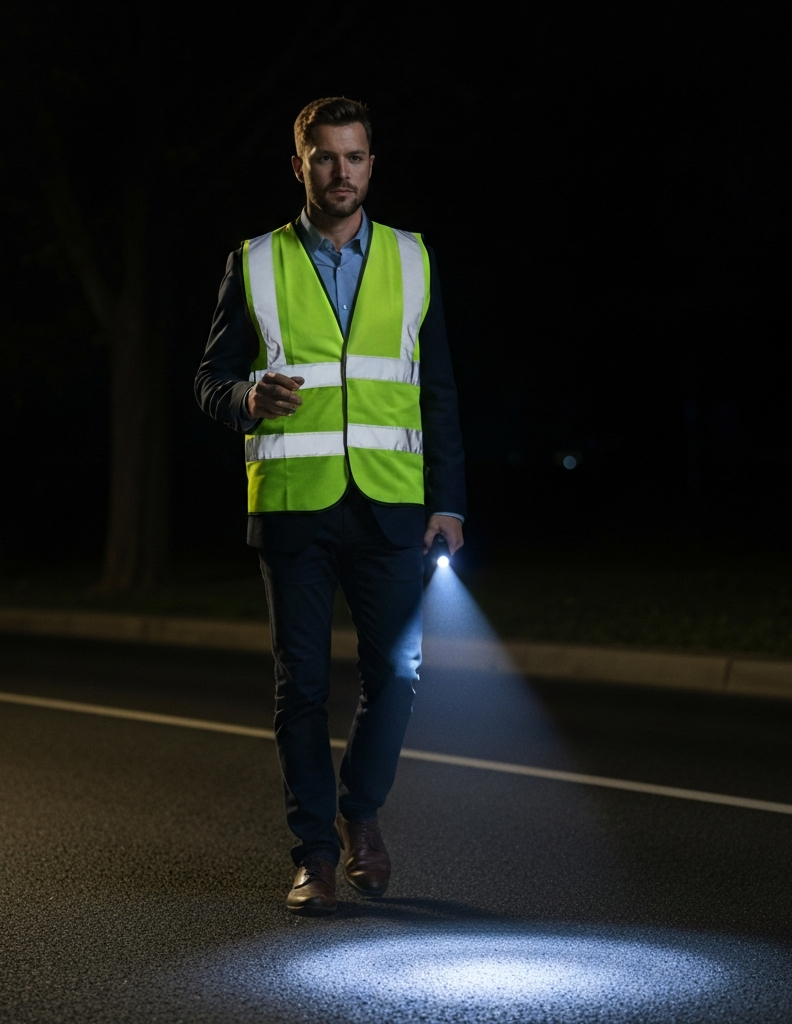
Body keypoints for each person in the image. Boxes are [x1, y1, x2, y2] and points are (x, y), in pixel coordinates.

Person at [195, 97, 466, 915]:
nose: (340, 172)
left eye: (354, 157)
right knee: (301, 686)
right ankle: (314, 853)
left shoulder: (415, 259)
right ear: (299, 165)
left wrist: (449, 502)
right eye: (324, 158)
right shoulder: (254, 261)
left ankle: (360, 815)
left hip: (391, 504)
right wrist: (246, 396)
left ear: (371, 166)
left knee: (399, 672)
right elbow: (208, 383)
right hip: (294, 507)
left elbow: (440, 391)